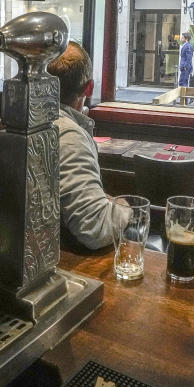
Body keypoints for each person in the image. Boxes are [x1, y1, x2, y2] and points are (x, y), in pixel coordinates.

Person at [47, 41, 130, 251]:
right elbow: (94, 228)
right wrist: (123, 207)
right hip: (63, 260)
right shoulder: (68, 135)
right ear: (89, 87)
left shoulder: (31, 119)